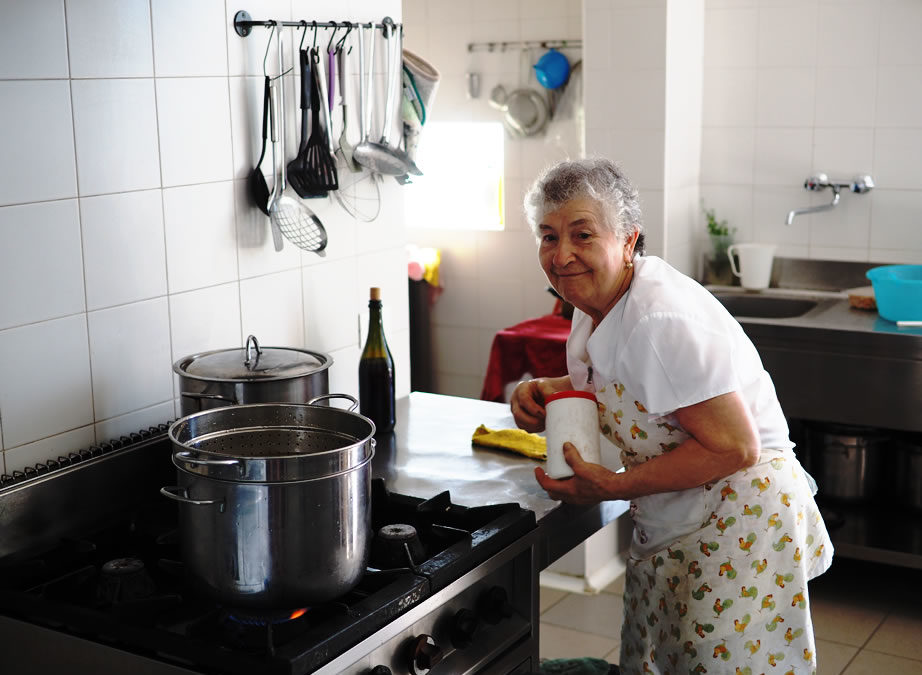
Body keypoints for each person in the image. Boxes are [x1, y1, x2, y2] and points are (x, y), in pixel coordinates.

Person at [511, 158, 833, 675]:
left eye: (582, 234)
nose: (562, 254)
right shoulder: (596, 302)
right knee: (666, 659)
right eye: (548, 237)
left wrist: (614, 487)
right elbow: (624, 385)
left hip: (737, 517)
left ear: (628, 239)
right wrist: (544, 391)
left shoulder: (658, 318)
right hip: (684, 516)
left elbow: (734, 447)